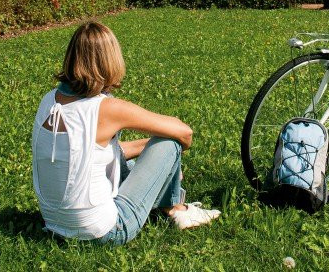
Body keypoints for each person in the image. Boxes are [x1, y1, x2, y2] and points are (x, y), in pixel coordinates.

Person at [31, 20, 220, 245]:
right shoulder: (107, 108)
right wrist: (169, 157)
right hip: (107, 231)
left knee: (144, 153)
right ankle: (177, 210)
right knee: (171, 142)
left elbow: (94, 154)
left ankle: (173, 206)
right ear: (110, 60)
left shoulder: (49, 101)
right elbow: (184, 133)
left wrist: (156, 159)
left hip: (54, 224)